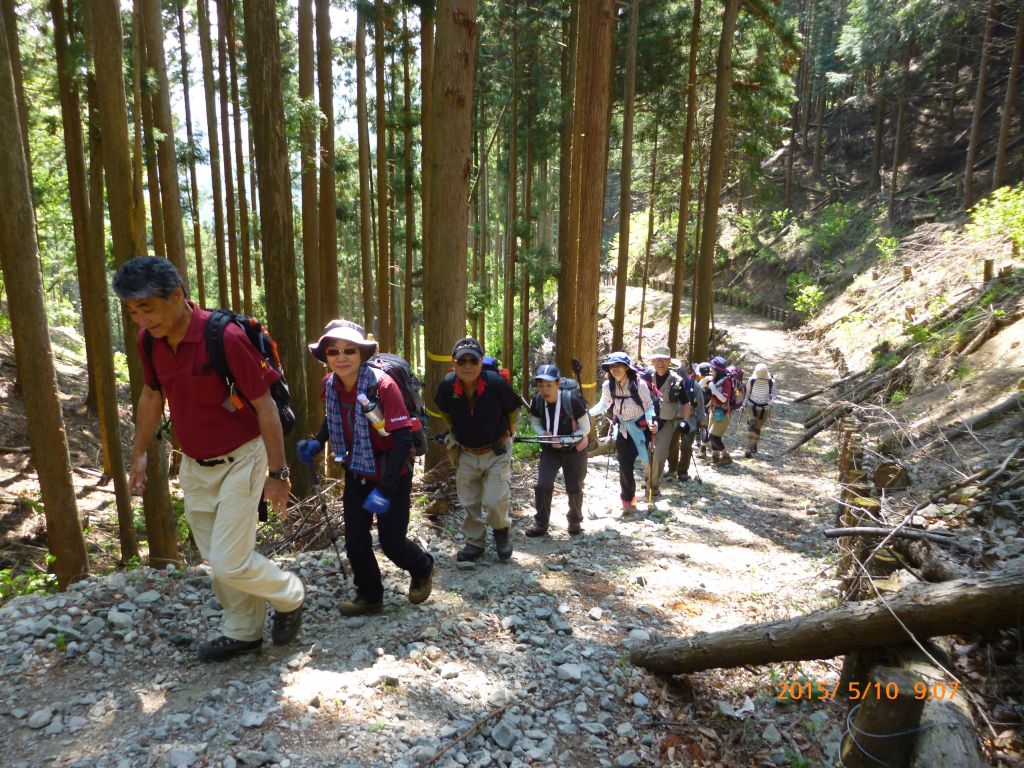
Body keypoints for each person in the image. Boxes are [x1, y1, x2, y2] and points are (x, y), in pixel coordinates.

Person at [113, 256, 304, 663]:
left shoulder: (225, 337)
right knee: (217, 560)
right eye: (132, 311)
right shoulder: (150, 341)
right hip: (195, 465)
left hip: (244, 457)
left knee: (230, 559)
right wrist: (140, 452)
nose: (141, 320)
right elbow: (151, 395)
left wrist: (278, 472)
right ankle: (244, 630)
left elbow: (265, 406)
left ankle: (291, 595)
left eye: (147, 308)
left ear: (178, 296)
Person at [297, 320, 434, 616]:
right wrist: (318, 441)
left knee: (392, 542)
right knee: (356, 542)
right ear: (325, 356)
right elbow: (334, 418)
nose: (341, 357)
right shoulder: (330, 385)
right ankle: (370, 596)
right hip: (357, 470)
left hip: (392, 471)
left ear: (362, 354)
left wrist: (386, 487)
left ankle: (423, 567)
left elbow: (401, 440)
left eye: (350, 350)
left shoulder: (383, 386)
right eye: (334, 351)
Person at [433, 337, 522, 562]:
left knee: (495, 500)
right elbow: (445, 411)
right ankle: (474, 543)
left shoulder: (496, 384)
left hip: (497, 450)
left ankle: (501, 532)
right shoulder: (447, 386)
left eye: (473, 360)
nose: (468, 366)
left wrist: (509, 434)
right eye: (462, 361)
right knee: (469, 500)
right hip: (466, 452)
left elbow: (512, 410)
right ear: (454, 363)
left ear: (481, 361)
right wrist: (454, 432)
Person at [526, 364, 591, 537]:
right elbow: (536, 423)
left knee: (574, 486)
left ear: (557, 383)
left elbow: (585, 428)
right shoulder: (538, 400)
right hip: (550, 450)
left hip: (575, 449)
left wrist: (563, 441)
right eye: (540, 385)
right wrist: (543, 434)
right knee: (543, 485)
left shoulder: (572, 401)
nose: (544, 389)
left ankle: (575, 521)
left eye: (548, 385)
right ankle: (541, 523)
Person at [589, 351, 657, 513]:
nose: (614, 369)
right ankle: (628, 500)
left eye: (618, 366)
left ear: (626, 367)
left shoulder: (639, 385)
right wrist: (586, 413)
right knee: (625, 465)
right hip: (623, 429)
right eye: (612, 366)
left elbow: (649, 407)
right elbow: (604, 405)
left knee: (645, 462)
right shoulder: (608, 386)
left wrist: (651, 422)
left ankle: (651, 486)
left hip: (641, 429)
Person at [647, 347, 688, 495]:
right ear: (652, 361)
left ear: (669, 361)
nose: (660, 362)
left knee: (659, 455)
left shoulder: (676, 381)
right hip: (646, 423)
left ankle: (653, 486)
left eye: (664, 359)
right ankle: (649, 480)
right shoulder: (645, 377)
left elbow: (685, 402)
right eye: (657, 359)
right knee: (646, 455)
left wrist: (686, 420)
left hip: (666, 423)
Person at [675, 361, 707, 482]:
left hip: (691, 420)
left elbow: (700, 406)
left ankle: (682, 471)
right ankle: (673, 468)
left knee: (686, 446)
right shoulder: (671, 384)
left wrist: (702, 423)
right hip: (673, 418)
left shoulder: (695, 386)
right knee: (672, 446)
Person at [703, 355, 736, 466]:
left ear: (717, 370)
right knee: (712, 434)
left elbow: (724, 398)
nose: (710, 371)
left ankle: (726, 457)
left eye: (712, 369)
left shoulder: (726, 381)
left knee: (713, 436)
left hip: (723, 413)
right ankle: (715, 457)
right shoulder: (715, 379)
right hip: (714, 410)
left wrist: (713, 389)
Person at [744, 362, 776, 458]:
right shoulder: (751, 380)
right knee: (752, 424)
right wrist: (743, 405)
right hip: (751, 406)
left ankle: (753, 445)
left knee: (757, 428)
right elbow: (747, 394)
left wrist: (772, 401)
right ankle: (749, 448)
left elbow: (774, 395)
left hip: (764, 408)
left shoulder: (772, 382)